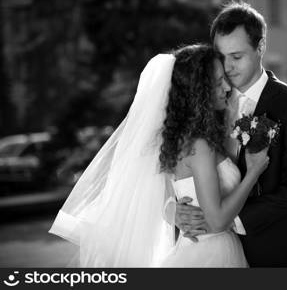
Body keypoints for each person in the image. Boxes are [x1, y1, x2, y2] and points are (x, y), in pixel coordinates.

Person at [49, 44, 269, 267]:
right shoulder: (199, 144)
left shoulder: (183, 137)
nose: (227, 86)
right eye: (218, 81)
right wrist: (253, 173)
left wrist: (171, 209)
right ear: (199, 90)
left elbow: (167, 191)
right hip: (212, 254)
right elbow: (218, 220)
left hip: (204, 247)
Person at [174, 1, 287, 267]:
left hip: (271, 248)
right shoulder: (207, 101)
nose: (228, 67)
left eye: (237, 56)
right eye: (221, 56)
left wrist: (229, 220)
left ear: (261, 47)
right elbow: (178, 170)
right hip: (208, 252)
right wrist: (174, 212)